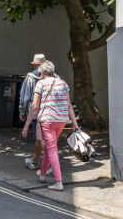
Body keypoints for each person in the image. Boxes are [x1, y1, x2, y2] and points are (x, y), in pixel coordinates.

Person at [22, 60, 79, 192]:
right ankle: (42, 174)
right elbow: (69, 105)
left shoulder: (40, 84)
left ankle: (58, 182)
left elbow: (34, 106)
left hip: (47, 120)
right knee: (49, 146)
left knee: (51, 148)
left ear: (42, 73)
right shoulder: (63, 83)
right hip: (62, 120)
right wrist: (75, 124)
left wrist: (26, 125)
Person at [19, 53, 46, 170]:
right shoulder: (55, 77)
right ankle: (34, 160)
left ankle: (51, 162)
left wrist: (22, 111)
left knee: (41, 139)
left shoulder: (30, 78)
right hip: (52, 113)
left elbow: (25, 97)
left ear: (35, 65)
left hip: (37, 114)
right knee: (42, 139)